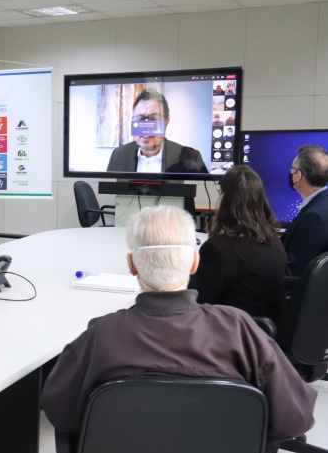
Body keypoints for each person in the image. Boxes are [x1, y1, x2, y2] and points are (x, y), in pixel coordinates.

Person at [43, 205, 316, 453]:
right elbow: (295, 419)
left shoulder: (101, 334)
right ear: (195, 263)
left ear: (132, 265)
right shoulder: (239, 329)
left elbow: (60, 412)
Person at [189, 166, 286, 321]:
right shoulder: (273, 240)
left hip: (229, 329)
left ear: (226, 200)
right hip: (266, 329)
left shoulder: (217, 249)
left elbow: (198, 304)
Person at [106, 88, 206, 174]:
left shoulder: (190, 157)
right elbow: (109, 189)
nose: (146, 128)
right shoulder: (118, 155)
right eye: (140, 119)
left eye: (153, 119)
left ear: (166, 123)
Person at [283, 144, 328, 276]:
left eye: (292, 169)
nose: (290, 173)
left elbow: (292, 271)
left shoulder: (314, 217)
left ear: (298, 176)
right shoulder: (321, 205)